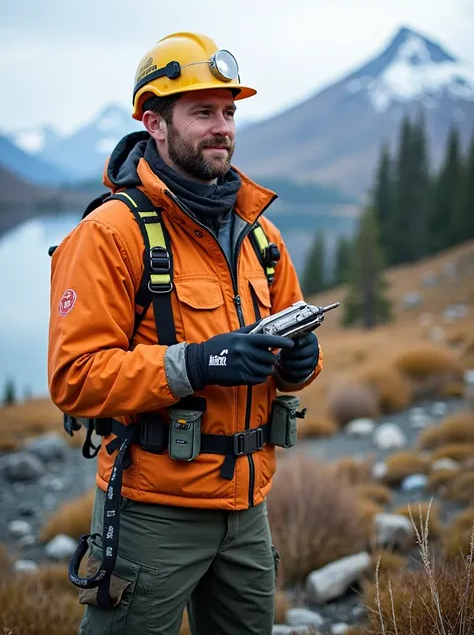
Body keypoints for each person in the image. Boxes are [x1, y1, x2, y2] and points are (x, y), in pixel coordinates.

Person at [48, 32, 323, 635]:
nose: (222, 126)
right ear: (155, 122)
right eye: (202, 112)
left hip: (249, 512)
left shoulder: (260, 236)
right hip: (152, 512)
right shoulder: (110, 234)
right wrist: (197, 363)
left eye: (228, 112)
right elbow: (74, 378)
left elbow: (289, 348)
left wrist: (300, 360)